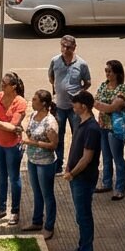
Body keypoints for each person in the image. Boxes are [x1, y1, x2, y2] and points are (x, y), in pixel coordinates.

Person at [60, 90, 101, 251]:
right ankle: (82, 247)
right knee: (80, 216)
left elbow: (86, 158)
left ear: (83, 106)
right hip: (76, 177)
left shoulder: (92, 128)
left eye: (75, 103)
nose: (73, 106)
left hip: (83, 179)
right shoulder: (81, 123)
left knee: (84, 217)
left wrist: (72, 173)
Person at [0, 72, 27, 225]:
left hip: (12, 146)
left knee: (14, 177)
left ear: (13, 86)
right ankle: (1, 208)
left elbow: (13, 126)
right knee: (1, 176)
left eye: (5, 84)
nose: (2, 86)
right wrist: (5, 125)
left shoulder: (20, 103)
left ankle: (15, 211)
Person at [18, 89, 59, 239]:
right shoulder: (33, 115)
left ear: (43, 104)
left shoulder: (50, 122)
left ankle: (49, 226)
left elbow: (54, 145)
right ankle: (36, 221)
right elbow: (29, 132)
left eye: (35, 100)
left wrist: (32, 142)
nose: (32, 101)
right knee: (37, 193)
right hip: (32, 160)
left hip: (45, 163)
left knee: (47, 194)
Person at [48, 35, 91, 166]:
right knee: (58, 136)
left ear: (74, 47)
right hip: (59, 106)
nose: (65, 49)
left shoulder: (81, 64)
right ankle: (58, 163)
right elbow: (51, 77)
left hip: (75, 109)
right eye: (63, 46)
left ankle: (75, 162)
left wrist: (79, 93)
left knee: (77, 136)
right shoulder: (55, 61)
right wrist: (57, 89)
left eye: (69, 47)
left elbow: (87, 82)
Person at [93, 60, 125, 200]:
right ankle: (106, 182)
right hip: (103, 126)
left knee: (118, 158)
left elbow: (110, 107)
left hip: (115, 129)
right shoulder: (104, 85)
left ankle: (120, 188)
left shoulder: (123, 89)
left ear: (117, 73)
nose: (107, 74)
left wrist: (101, 105)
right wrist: (104, 105)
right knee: (106, 157)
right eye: (106, 71)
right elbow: (97, 103)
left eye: (110, 71)